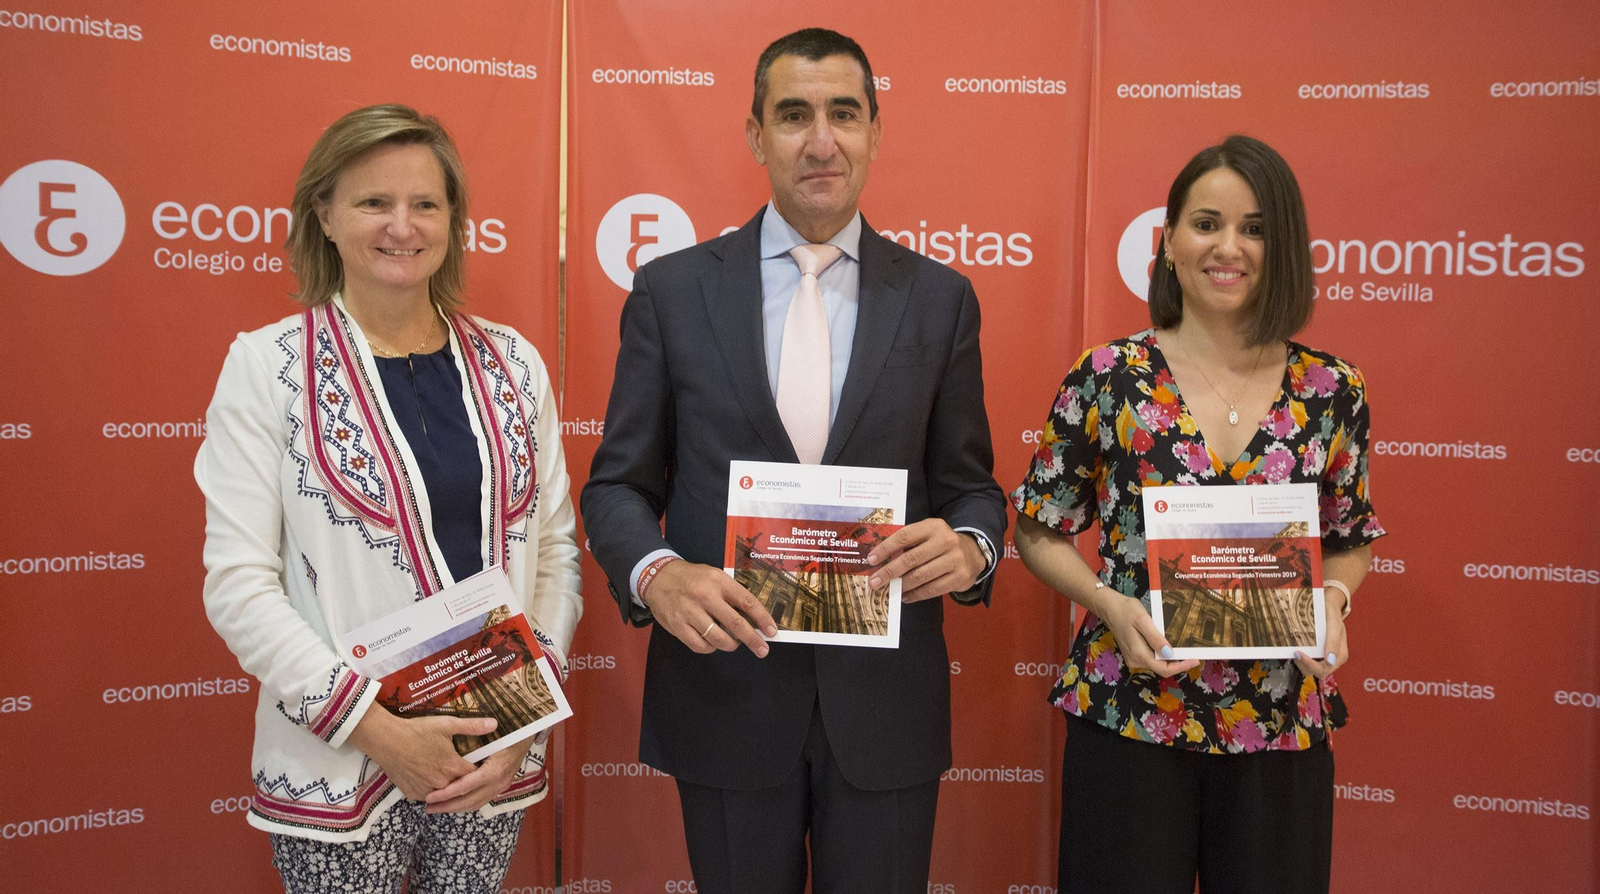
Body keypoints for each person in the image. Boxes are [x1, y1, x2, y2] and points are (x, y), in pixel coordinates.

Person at [580, 27, 1007, 894]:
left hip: (884, 706)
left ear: (875, 132)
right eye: (794, 115)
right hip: (727, 694)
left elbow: (973, 489)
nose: (821, 140)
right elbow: (618, 485)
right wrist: (656, 574)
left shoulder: (939, 299)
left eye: (844, 114)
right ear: (755, 135)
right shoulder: (672, 290)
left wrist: (970, 549)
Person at [195, 104, 580, 893]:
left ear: (453, 221)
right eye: (373, 202)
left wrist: (521, 717)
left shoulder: (514, 364)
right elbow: (238, 584)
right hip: (338, 764)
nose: (401, 226)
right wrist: (377, 731)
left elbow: (556, 553)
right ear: (325, 216)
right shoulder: (266, 367)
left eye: (425, 204)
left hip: (489, 754)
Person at [1012, 134, 1384, 894]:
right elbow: (1037, 527)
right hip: (1129, 710)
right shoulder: (1109, 377)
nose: (1230, 247)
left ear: (1285, 247)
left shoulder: (1334, 390)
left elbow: (1349, 537)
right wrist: (1109, 605)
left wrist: (1335, 603)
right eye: (1207, 223)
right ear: (1170, 242)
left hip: (1278, 722)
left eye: (1255, 228)